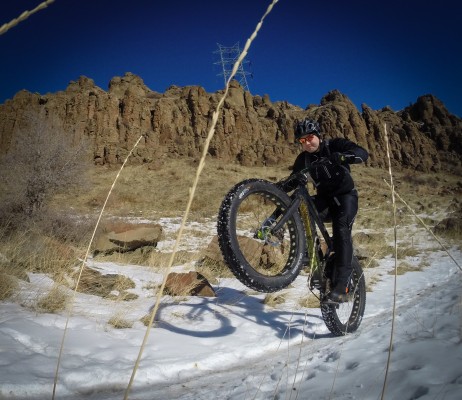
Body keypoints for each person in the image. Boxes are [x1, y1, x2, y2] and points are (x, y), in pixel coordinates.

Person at [278, 118, 368, 302]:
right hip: (324, 202)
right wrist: (272, 190)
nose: (307, 143)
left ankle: (342, 286)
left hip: (345, 198)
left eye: (310, 137)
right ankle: (314, 258)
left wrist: (343, 156)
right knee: (299, 207)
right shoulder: (303, 159)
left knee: (341, 229)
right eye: (302, 141)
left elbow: (362, 153)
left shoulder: (334, 145)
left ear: (318, 135)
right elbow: (292, 180)